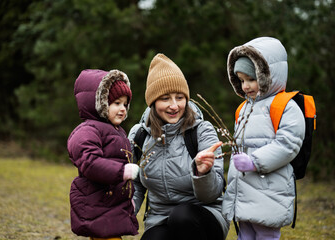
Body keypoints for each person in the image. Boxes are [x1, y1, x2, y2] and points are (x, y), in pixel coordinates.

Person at [128, 53, 229, 240]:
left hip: (203, 214)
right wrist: (128, 210)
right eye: (165, 98)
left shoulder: (202, 131)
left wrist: (202, 173)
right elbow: (135, 181)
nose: (174, 106)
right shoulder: (139, 135)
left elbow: (212, 194)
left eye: (180, 97)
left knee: (181, 217)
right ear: (153, 102)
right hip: (160, 218)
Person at [222, 37, 306, 240]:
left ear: (268, 75)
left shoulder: (285, 105)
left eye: (251, 79)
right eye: (241, 80)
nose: (246, 86)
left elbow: (288, 143)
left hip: (269, 187)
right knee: (246, 233)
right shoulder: (243, 108)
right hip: (244, 188)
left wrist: (254, 161)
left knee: (266, 233)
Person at [67, 69, 139, 240]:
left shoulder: (117, 131)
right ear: (99, 103)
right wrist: (122, 171)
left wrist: (127, 198)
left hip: (110, 203)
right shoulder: (88, 130)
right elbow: (89, 161)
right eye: (116, 103)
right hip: (97, 203)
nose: (122, 109)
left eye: (125, 104)